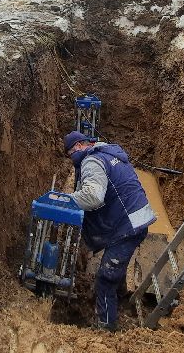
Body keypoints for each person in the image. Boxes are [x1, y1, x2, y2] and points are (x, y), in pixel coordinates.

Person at [64, 130, 156, 331]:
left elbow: (93, 196)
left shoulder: (91, 161)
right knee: (115, 266)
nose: (72, 158)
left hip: (127, 226)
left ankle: (106, 327)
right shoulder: (109, 153)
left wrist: (67, 200)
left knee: (105, 278)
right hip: (136, 219)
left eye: (71, 154)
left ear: (78, 146)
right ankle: (120, 299)